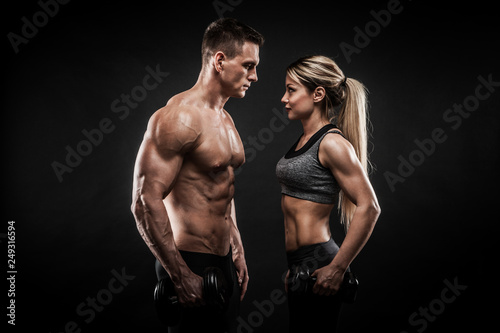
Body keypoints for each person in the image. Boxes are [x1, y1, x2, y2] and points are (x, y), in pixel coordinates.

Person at [130, 18, 264, 333]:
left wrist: (237, 244)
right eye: (248, 65)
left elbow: (221, 186)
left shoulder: (226, 118)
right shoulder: (178, 118)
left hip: (223, 264)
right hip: (190, 263)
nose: (254, 76)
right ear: (219, 60)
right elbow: (144, 200)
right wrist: (180, 275)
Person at [275, 55, 381, 332]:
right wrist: (296, 266)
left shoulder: (331, 143)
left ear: (317, 94)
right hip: (300, 263)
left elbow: (369, 207)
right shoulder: (303, 140)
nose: (284, 98)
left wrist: (338, 267)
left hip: (322, 260)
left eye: (291, 89)